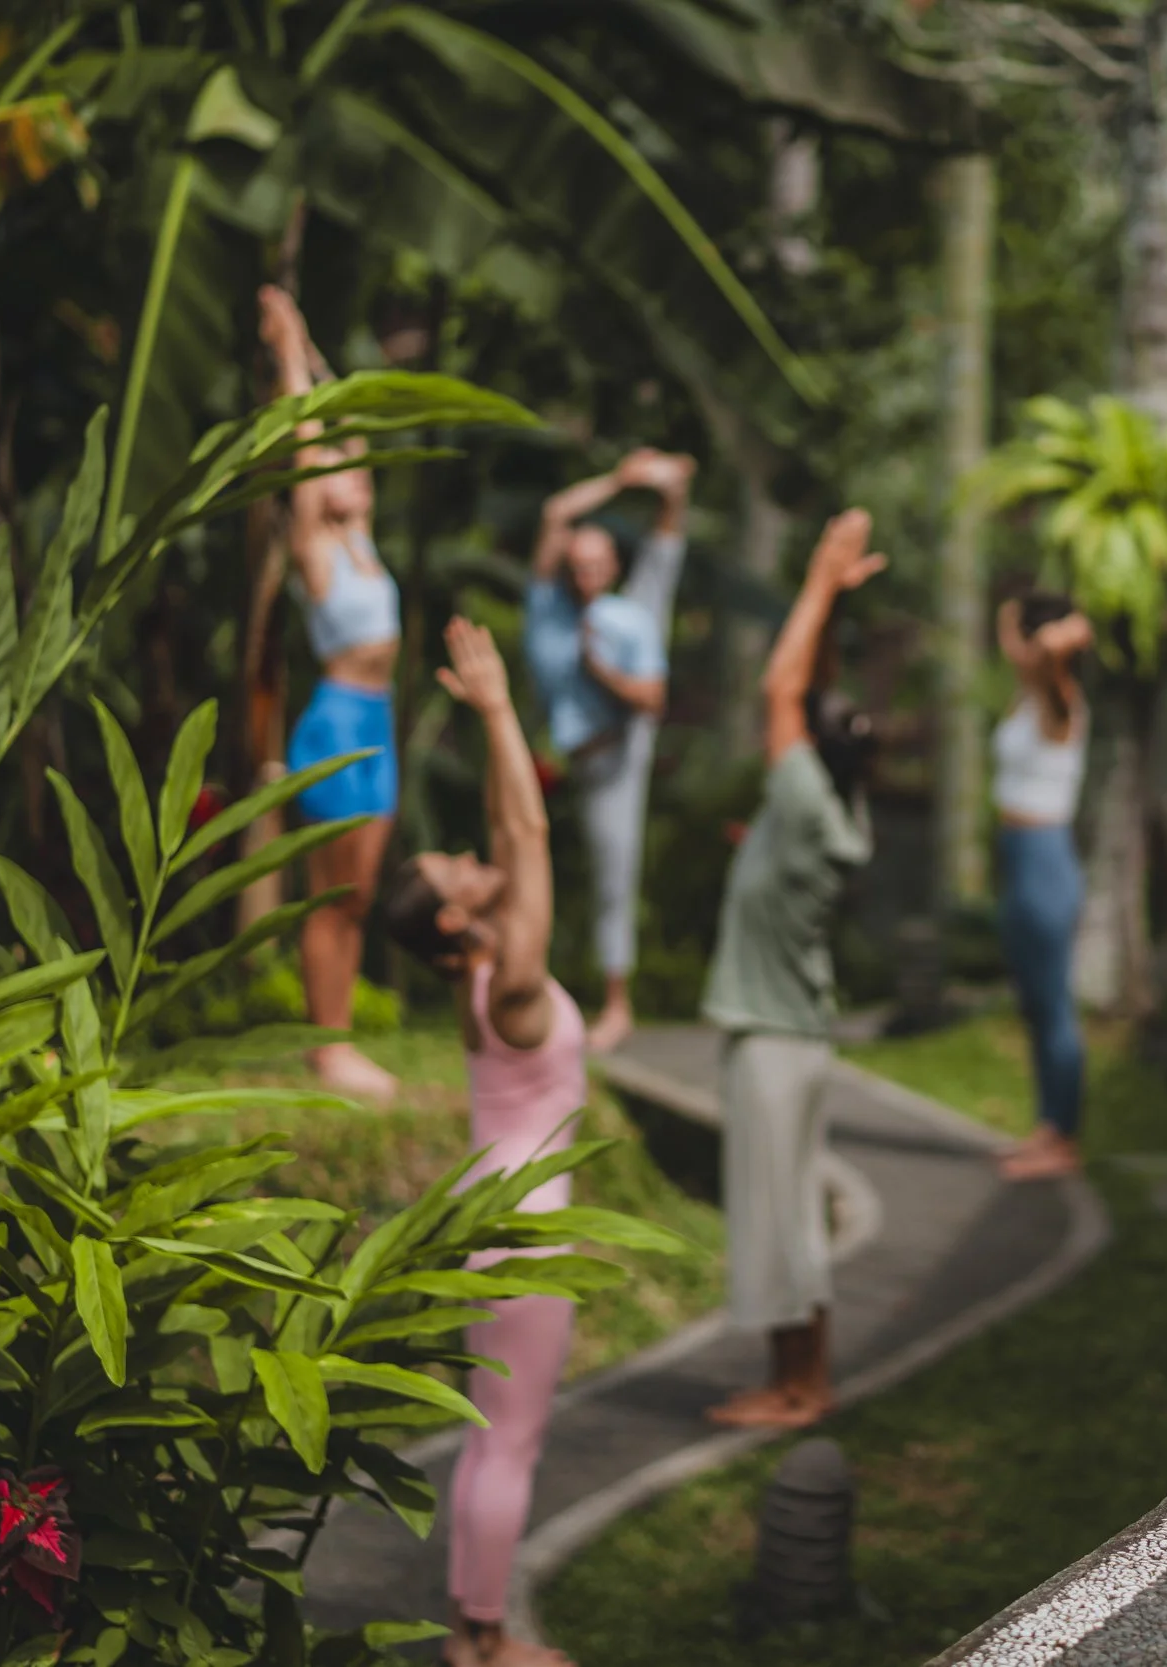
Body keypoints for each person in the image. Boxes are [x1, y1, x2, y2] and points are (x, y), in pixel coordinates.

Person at [377, 616, 580, 1667]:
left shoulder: (480, 981)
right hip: (524, 1226)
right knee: (512, 1440)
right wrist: (500, 708)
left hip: (490, 1216)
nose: (471, 855)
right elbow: (532, 840)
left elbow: (512, 836)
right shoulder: (515, 985)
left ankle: (473, 1625)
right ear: (456, 922)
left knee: (491, 1435)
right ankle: (485, 1641)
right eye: (453, 866)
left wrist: (501, 718)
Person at [700, 508, 885, 1431]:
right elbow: (810, 695)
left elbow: (781, 688)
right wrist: (838, 608)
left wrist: (816, 578)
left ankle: (802, 1387)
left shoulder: (805, 798)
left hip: (773, 1046)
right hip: (795, 1040)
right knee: (791, 1221)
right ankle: (797, 1379)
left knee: (781, 1226)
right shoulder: (838, 809)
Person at [261, 285, 403, 1105]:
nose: (353, 470)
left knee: (360, 898)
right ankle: (327, 1049)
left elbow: (338, 421)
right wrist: (288, 350)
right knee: (332, 892)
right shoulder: (316, 541)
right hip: (338, 720)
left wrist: (311, 343)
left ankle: (340, 1037)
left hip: (376, 723)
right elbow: (308, 441)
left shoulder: (364, 542)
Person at [524, 450, 698, 1054]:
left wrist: (603, 672)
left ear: (611, 566)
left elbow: (651, 697)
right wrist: (619, 481)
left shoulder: (626, 617)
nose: (584, 573)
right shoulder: (548, 612)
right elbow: (554, 514)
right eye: (578, 565)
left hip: (623, 747)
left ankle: (617, 1004)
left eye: (597, 563)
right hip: (576, 752)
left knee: (613, 872)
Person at [990, 592, 1096, 1182]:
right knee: (1033, 1004)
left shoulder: (1062, 700)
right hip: (1018, 858)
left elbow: (1052, 649)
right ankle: (1046, 1127)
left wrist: (1063, 633)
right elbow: (1014, 634)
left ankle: (1065, 1140)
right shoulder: (1028, 698)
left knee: (1053, 1005)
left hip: (1046, 862)